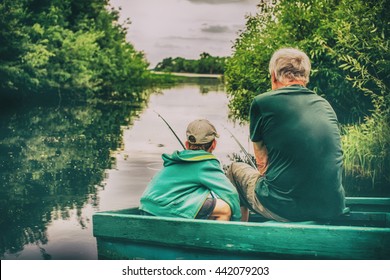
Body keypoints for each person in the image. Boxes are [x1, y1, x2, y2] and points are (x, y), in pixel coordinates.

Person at [227, 47, 346, 222]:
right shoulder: (324, 104)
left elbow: (262, 163)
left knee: (234, 170)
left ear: (274, 76)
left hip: (287, 210)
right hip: (332, 207)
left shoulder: (262, 102)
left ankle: (239, 233)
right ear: (306, 77)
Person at [140, 119, 241, 221]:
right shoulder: (206, 164)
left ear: (187, 144)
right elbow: (230, 193)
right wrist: (237, 220)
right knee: (224, 209)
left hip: (147, 205)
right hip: (165, 208)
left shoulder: (177, 158)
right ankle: (220, 236)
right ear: (214, 144)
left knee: (206, 203)